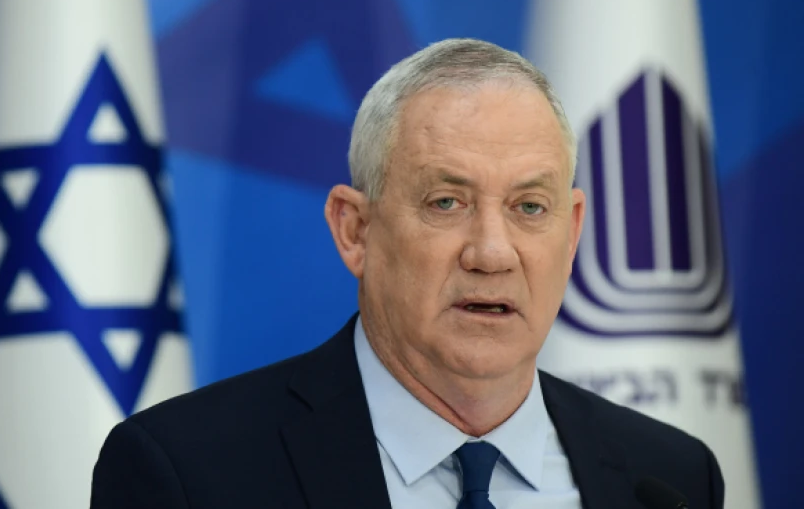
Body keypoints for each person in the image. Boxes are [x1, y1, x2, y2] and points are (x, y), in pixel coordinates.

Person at [90, 39, 724, 509]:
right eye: (446, 202)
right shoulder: (187, 473)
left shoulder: (671, 478)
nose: (492, 253)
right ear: (355, 230)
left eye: (530, 208)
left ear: (574, 231)